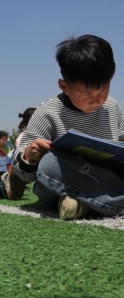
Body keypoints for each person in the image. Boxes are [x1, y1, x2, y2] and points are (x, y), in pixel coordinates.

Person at [7, 34, 124, 220]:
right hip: (67, 178)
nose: (97, 100)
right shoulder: (48, 112)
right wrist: (30, 156)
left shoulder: (112, 107)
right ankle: (107, 203)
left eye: (103, 91)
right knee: (49, 164)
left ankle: (85, 205)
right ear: (64, 86)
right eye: (86, 94)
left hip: (106, 179)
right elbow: (23, 174)